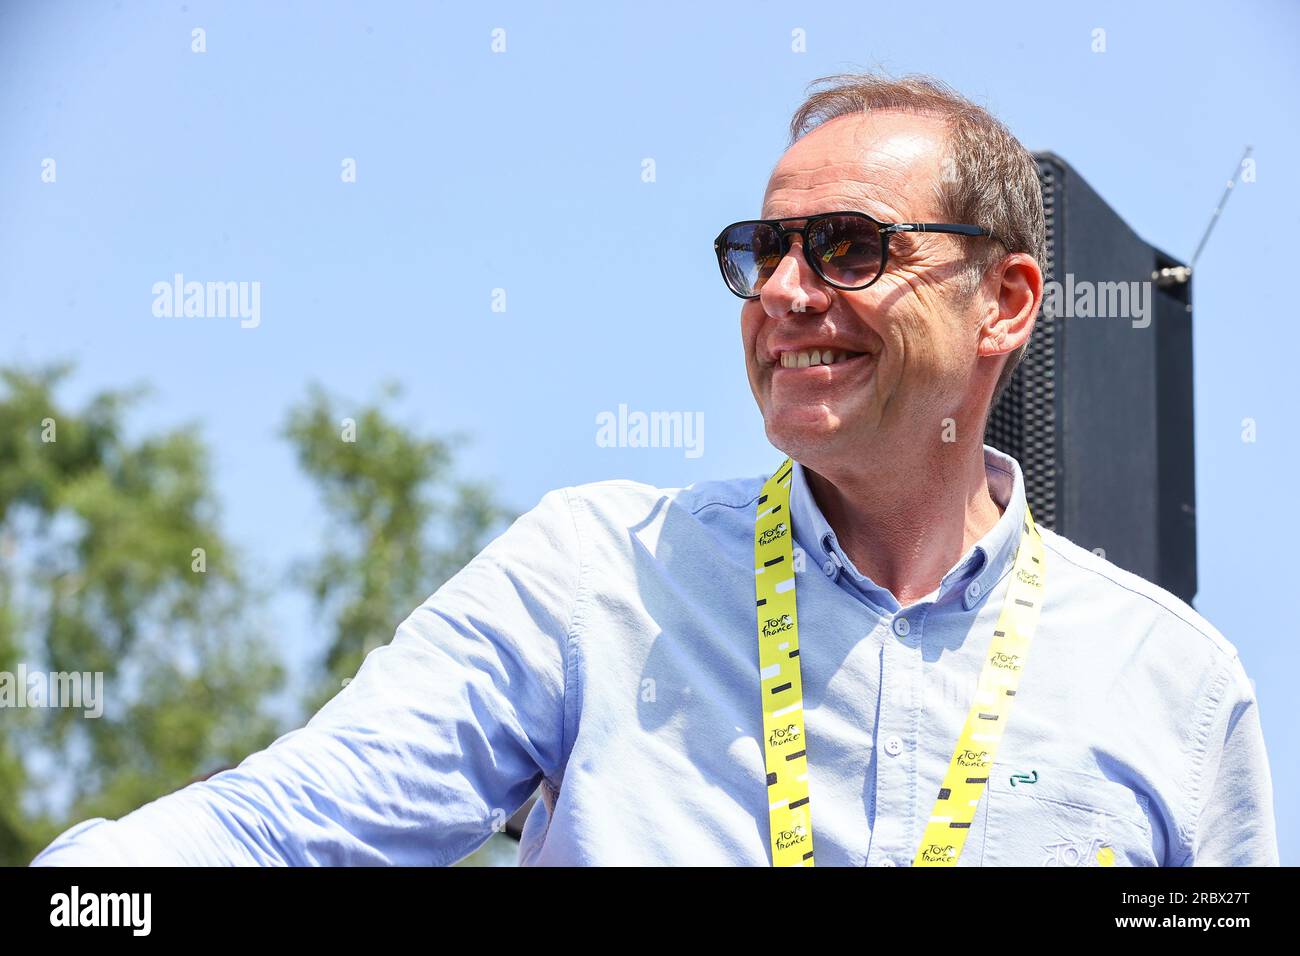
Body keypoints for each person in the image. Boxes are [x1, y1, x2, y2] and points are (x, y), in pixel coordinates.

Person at [33, 72, 1278, 866]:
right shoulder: (596, 578)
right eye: (761, 250)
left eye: (847, 248)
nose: (787, 294)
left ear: (1004, 301)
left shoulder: (1169, 682)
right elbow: (279, 830)